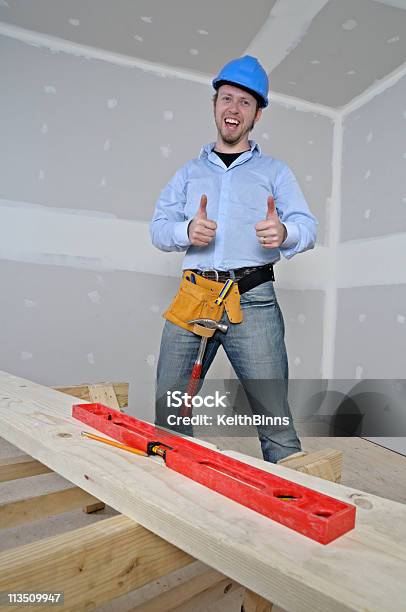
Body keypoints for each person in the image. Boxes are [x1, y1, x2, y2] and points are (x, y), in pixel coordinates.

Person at [150, 55, 318, 463]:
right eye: (227, 99)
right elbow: (158, 227)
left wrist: (285, 233)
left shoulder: (276, 172)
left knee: (276, 422)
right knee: (169, 414)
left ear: (257, 114)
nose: (233, 109)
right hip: (195, 298)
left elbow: (307, 227)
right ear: (214, 105)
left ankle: (294, 516)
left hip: (253, 298)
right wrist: (185, 231)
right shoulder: (188, 172)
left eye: (245, 103)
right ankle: (168, 506)